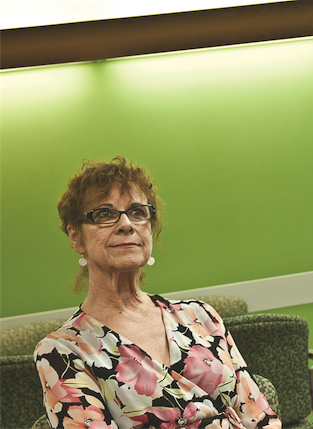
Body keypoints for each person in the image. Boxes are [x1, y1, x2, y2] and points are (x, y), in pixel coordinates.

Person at [35, 156, 281, 429]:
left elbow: (260, 415)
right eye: (104, 214)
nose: (126, 224)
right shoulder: (62, 351)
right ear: (75, 236)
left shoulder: (200, 315)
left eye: (138, 212)